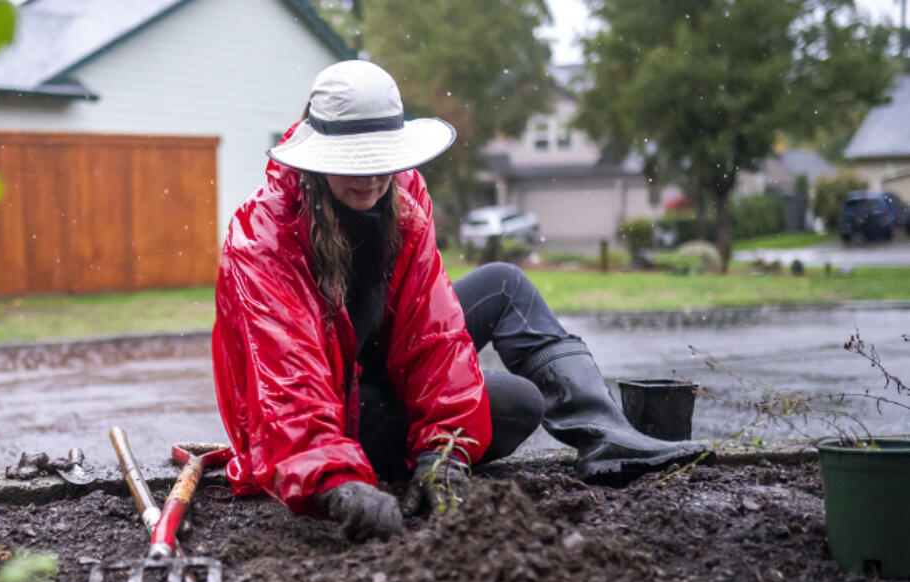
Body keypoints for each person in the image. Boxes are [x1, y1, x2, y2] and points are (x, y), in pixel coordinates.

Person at [212, 60, 708, 543]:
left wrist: (444, 446)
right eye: (351, 164)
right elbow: (288, 381)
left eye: (380, 160)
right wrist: (336, 483)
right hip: (319, 415)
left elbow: (432, 328)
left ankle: (604, 436)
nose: (368, 178)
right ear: (318, 161)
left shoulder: (404, 196)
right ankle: (349, 463)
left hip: (377, 370)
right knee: (518, 404)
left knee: (505, 285)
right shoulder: (264, 239)